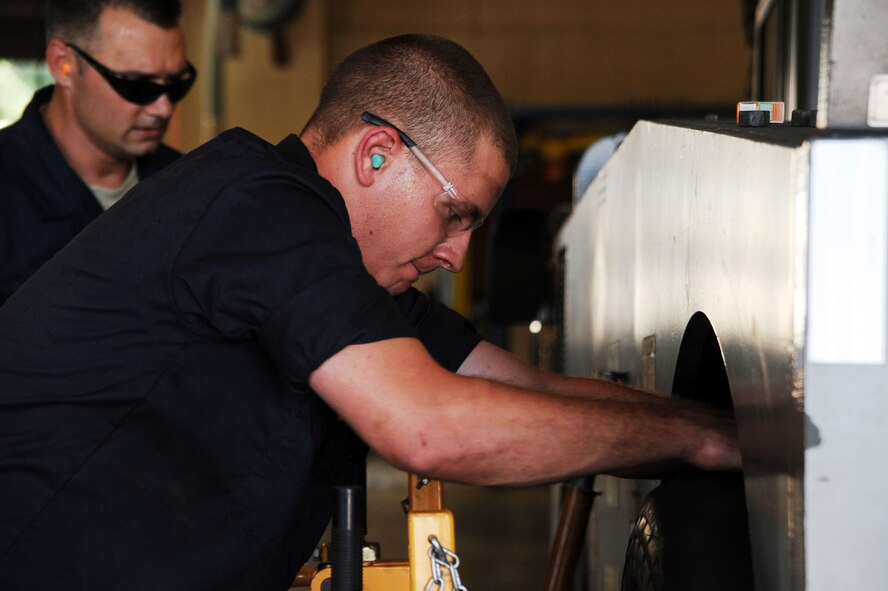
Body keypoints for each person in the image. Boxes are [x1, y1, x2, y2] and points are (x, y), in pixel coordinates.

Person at [0, 34, 739, 588]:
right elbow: (428, 426)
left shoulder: (347, 271)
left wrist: (706, 429)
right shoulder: (258, 207)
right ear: (377, 153)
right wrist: (705, 444)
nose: (456, 254)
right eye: (453, 214)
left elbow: (521, 391)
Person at [0, 0, 194, 304]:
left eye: (176, 84)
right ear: (62, 64)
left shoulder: (189, 185)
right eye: (136, 84)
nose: (163, 107)